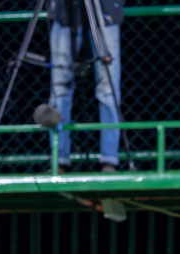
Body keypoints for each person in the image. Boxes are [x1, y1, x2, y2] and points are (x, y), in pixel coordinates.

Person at [49, 0, 124, 172]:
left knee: (108, 88)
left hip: (105, 12)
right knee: (60, 88)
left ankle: (109, 160)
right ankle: (59, 159)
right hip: (65, 14)